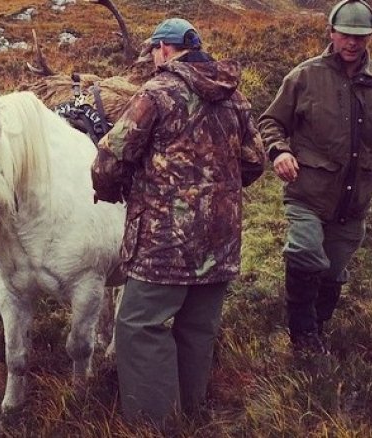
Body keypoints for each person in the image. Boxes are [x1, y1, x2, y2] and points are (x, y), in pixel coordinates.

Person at [91, 18, 266, 427]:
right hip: (219, 240)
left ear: (166, 49)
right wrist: (217, 193)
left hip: (163, 242)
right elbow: (255, 161)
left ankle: (155, 425)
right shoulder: (234, 96)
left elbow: (109, 158)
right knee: (197, 326)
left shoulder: (156, 93)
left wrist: (112, 189)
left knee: (139, 324)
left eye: (154, 49)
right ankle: (191, 413)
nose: (153, 57)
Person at [258, 0, 372, 355]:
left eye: (360, 37)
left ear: (370, 38)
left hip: (354, 200)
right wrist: (279, 151)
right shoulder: (303, 76)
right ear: (331, 33)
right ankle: (302, 336)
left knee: (332, 271)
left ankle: (317, 327)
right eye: (346, 35)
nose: (352, 43)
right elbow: (270, 122)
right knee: (304, 252)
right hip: (308, 193)